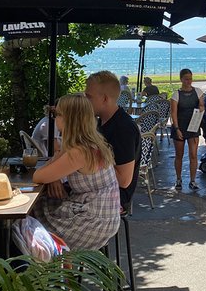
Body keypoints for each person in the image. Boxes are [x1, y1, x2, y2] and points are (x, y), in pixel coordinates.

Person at [32, 93, 120, 250]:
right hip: (104, 216)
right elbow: (52, 173)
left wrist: (55, 168)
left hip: (91, 222)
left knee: (28, 222)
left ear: (69, 119)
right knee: (39, 208)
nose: (54, 119)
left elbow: (38, 176)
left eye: (57, 114)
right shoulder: (93, 143)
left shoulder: (78, 152)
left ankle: (46, 267)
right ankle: (58, 266)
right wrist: (54, 177)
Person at [84, 71, 140, 210]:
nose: (85, 101)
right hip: (97, 191)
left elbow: (124, 181)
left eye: (89, 97)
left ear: (105, 99)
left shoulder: (124, 128)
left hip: (115, 199)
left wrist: (87, 157)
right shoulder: (99, 122)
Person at [170, 69, 205, 191]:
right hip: (180, 126)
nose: (189, 81)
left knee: (193, 155)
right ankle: (178, 179)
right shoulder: (176, 94)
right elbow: (173, 113)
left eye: (190, 78)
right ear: (181, 79)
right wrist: (176, 128)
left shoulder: (198, 92)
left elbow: (202, 105)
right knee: (179, 155)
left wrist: (201, 107)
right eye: (186, 78)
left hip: (193, 127)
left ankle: (193, 180)